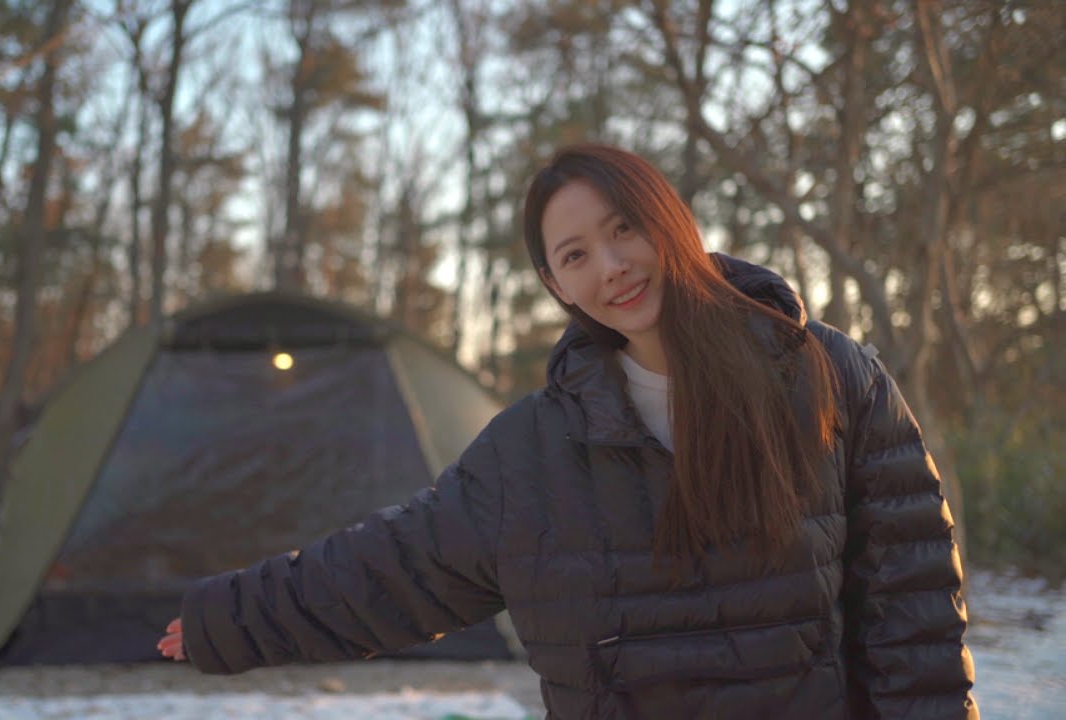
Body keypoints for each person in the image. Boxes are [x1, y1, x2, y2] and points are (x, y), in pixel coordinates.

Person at [158, 144, 978, 719]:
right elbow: (398, 567)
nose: (612, 266)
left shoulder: (826, 376)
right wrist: (236, 616)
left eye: (624, 229)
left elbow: (914, 614)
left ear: (670, 223)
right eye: (577, 254)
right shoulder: (534, 450)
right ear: (556, 283)